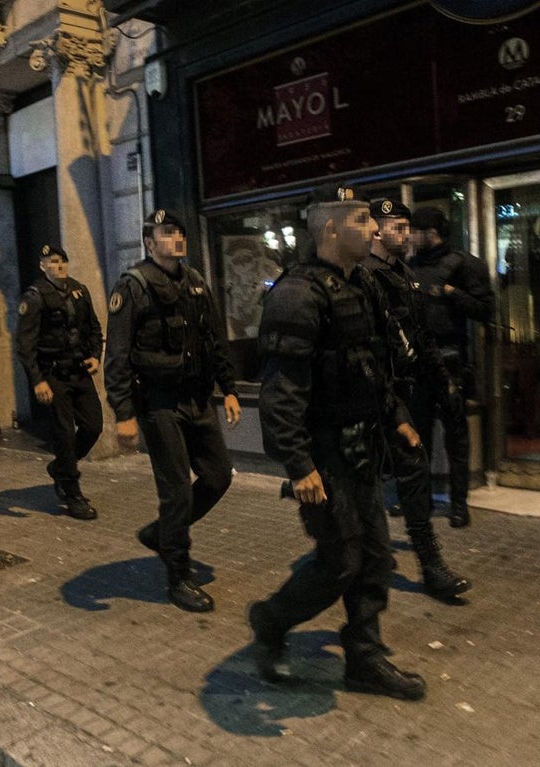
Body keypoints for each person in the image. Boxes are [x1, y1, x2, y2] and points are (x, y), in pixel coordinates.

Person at [249, 185, 426, 700]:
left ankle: (364, 660)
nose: (376, 228)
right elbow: (280, 393)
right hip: (323, 455)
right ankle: (270, 621)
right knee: (341, 561)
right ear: (330, 228)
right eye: (363, 219)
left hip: (363, 447)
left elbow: (376, 365)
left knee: (375, 557)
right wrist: (299, 464)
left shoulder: (365, 285)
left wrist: (396, 417)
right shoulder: (296, 295)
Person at [104, 209, 241, 613]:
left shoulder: (195, 282)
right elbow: (118, 355)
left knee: (217, 477)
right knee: (177, 490)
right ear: (150, 242)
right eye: (167, 233)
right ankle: (178, 576)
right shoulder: (133, 287)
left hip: (198, 400)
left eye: (179, 232)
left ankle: (162, 533)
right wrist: (123, 412)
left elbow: (215, 338)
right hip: (159, 404)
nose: (176, 238)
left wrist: (229, 389)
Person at [364, 199, 470, 599]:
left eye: (407, 227)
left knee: (408, 468)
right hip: (375, 396)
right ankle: (380, 552)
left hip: (403, 392)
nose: (404, 234)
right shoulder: (364, 277)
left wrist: (443, 382)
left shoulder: (404, 275)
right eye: (395, 227)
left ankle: (429, 566)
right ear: (375, 229)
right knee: (375, 475)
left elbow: (422, 339)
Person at [409, 207, 494, 528]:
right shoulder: (410, 266)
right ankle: (421, 500)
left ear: (430, 232)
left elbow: (484, 309)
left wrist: (451, 293)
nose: (409, 236)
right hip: (418, 364)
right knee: (418, 438)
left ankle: (459, 504)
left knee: (456, 438)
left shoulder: (463, 264)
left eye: (414, 230)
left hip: (450, 363)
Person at [15, 243, 104, 519]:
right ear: (43, 266)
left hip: (79, 371)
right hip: (53, 375)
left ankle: (60, 468)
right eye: (51, 262)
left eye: (62, 261)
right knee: (64, 433)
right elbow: (25, 344)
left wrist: (95, 355)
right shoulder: (35, 297)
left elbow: (94, 327)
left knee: (93, 426)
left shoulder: (79, 290)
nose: (58, 266)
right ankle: (72, 492)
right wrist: (38, 381)